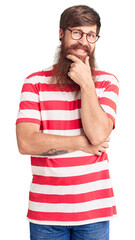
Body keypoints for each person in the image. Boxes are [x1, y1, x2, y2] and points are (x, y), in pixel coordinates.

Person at [16, 5, 119, 240]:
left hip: (94, 210)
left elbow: (99, 133)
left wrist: (87, 84)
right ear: (61, 33)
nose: (83, 41)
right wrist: (82, 143)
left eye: (90, 35)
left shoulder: (105, 82)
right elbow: (26, 143)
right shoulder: (35, 83)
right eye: (76, 33)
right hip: (46, 213)